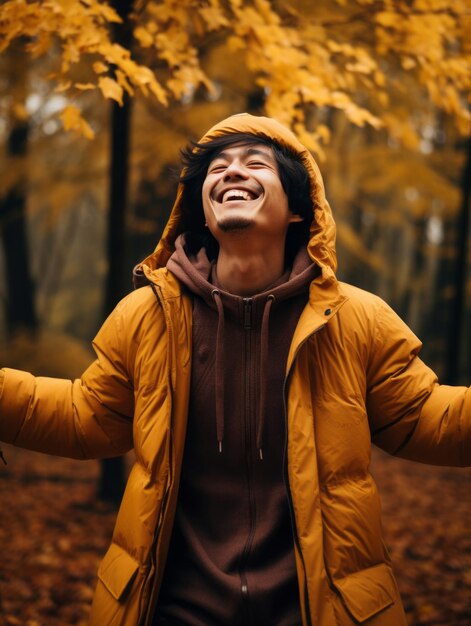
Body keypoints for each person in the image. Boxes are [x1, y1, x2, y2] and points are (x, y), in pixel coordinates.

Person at [0, 113, 470, 626]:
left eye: (255, 163)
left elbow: (425, 417)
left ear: (297, 209)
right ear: (202, 207)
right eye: (217, 168)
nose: (231, 173)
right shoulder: (148, 316)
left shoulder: (358, 319)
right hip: (174, 609)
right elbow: (84, 415)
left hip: (318, 611)